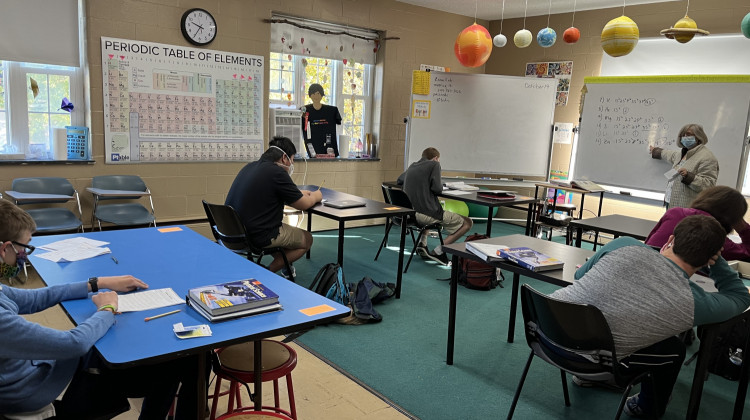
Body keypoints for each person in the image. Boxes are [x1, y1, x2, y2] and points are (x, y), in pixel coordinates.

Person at [0, 200, 199, 419]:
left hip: (24, 374)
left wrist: (98, 283)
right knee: (175, 363)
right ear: (5, 248)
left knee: (167, 358)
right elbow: (73, 344)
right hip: (29, 392)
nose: (25, 256)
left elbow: (34, 298)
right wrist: (106, 308)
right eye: (24, 247)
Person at [550, 215, 750, 418]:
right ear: (710, 258)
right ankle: (645, 408)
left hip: (546, 335)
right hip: (597, 362)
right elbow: (741, 297)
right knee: (674, 348)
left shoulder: (623, 244)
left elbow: (579, 276)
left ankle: (590, 378)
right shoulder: (694, 302)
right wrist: (717, 261)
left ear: (671, 239)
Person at [226, 136, 322, 279]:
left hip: (233, 232)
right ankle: (267, 272)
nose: (291, 165)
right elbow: (303, 204)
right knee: (307, 239)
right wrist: (316, 195)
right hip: (258, 235)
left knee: (281, 237)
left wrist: (299, 193)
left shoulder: (250, 166)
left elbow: (273, 192)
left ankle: (285, 265)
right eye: (292, 160)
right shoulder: (277, 172)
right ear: (284, 158)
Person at [397, 147, 473, 265]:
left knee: (427, 206)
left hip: (410, 214)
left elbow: (399, 180)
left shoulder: (412, 166)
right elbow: (437, 189)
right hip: (425, 215)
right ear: (436, 158)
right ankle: (438, 251)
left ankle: (422, 243)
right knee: (468, 222)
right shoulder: (434, 165)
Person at [646, 185, 750, 261]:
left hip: (642, 266)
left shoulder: (674, 212)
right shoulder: (715, 234)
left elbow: (648, 241)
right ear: (733, 217)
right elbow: (747, 253)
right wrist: (743, 227)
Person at [649, 123, 718, 208]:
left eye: (688, 134)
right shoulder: (683, 153)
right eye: (683, 135)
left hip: (687, 207)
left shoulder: (707, 157)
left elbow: (708, 186)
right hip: (670, 201)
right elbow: (670, 155)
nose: (685, 137)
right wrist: (655, 151)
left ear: (698, 136)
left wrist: (688, 176)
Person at [301, 83, 342, 157]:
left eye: (318, 93)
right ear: (310, 95)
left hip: (328, 149)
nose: (316, 96)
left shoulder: (331, 111)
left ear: (322, 95)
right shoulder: (305, 111)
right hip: (312, 149)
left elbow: (338, 121)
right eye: (313, 94)